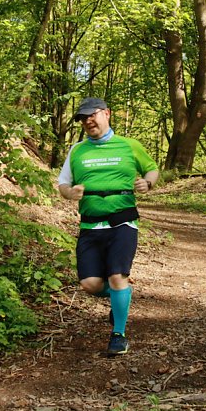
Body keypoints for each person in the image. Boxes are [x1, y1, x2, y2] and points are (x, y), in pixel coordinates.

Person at [57, 97, 159, 356]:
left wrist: (148, 183)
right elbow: (63, 184)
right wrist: (70, 193)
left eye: (92, 115)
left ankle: (119, 335)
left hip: (122, 221)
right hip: (91, 226)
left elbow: (152, 169)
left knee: (116, 276)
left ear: (107, 114)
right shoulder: (77, 150)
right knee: (90, 284)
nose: (88, 121)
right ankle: (120, 295)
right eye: (82, 118)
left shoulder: (129, 145)